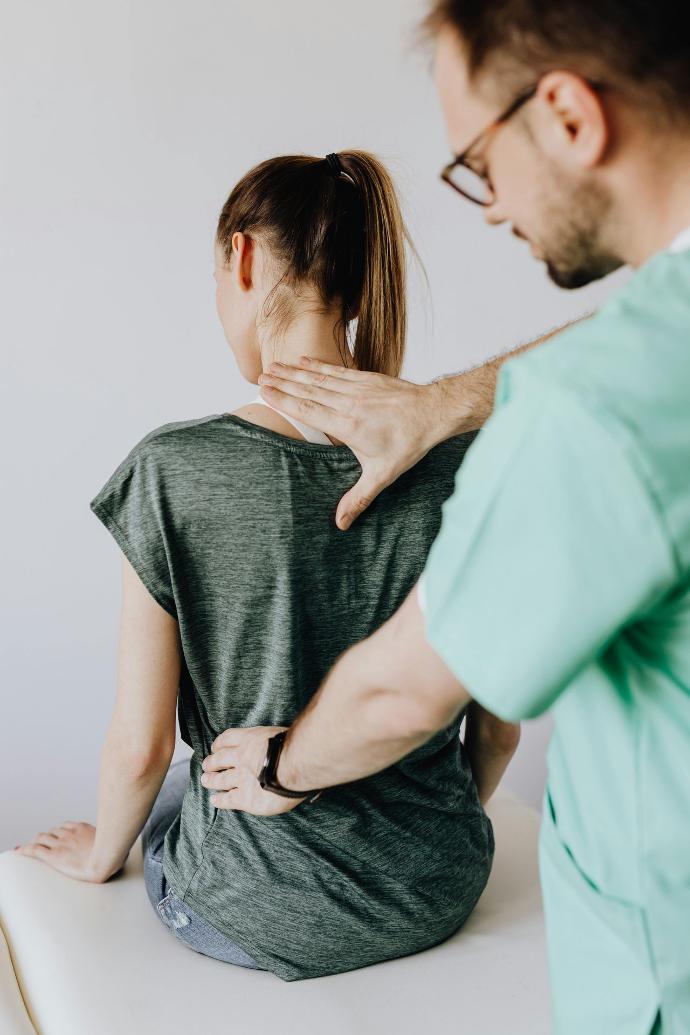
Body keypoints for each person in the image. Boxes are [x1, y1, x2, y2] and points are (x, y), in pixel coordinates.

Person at [202, 3, 690, 1032]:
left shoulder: (591, 414)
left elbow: (402, 695)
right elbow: (495, 743)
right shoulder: (593, 392)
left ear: (566, 115)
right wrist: (449, 406)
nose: (488, 206)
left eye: (479, 160)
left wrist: (282, 764)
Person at [13, 149, 521, 981]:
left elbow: (140, 747)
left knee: (175, 792)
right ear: (361, 283)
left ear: (241, 258)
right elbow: (496, 729)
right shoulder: (460, 457)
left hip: (259, 908)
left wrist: (101, 856)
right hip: (439, 884)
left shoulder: (174, 469)